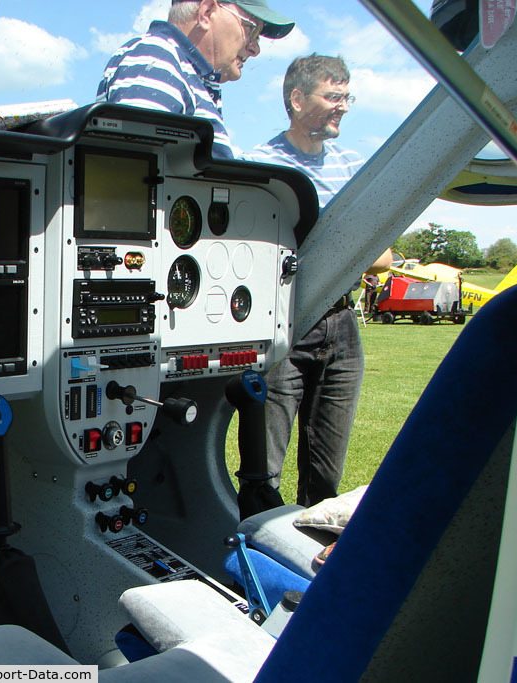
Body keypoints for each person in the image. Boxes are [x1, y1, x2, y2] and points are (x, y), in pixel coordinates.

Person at [246, 54, 393, 507]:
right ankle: (249, 563)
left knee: (327, 475)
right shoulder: (259, 164)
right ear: (296, 98)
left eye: (347, 96)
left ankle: (312, 560)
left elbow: (383, 254)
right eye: (332, 95)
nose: (343, 106)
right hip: (283, 322)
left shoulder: (353, 166)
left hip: (341, 321)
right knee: (262, 472)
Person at [96, 0, 295, 159]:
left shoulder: (180, 69)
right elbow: (135, 170)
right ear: (207, 13)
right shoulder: (158, 58)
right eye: (251, 30)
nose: (255, 49)